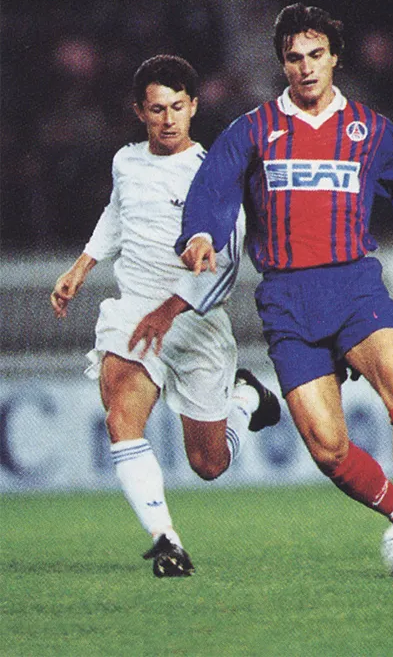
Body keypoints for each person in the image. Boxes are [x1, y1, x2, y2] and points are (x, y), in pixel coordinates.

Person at [175, 4, 393, 571]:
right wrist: (202, 233)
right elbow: (213, 186)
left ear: (335, 58)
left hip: (353, 286)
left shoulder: (370, 130)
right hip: (287, 300)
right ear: (282, 64)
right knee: (328, 448)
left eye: (316, 54)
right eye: (294, 57)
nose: (305, 67)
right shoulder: (253, 130)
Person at [51, 54, 280, 579]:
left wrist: (170, 310)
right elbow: (117, 213)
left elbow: (226, 267)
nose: (169, 119)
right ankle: (166, 541)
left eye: (178, 107)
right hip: (135, 310)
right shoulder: (126, 162)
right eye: (157, 109)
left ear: (194, 106)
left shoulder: (214, 173)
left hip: (195, 321)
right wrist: (83, 265)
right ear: (140, 112)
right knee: (121, 417)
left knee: (209, 465)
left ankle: (246, 397)